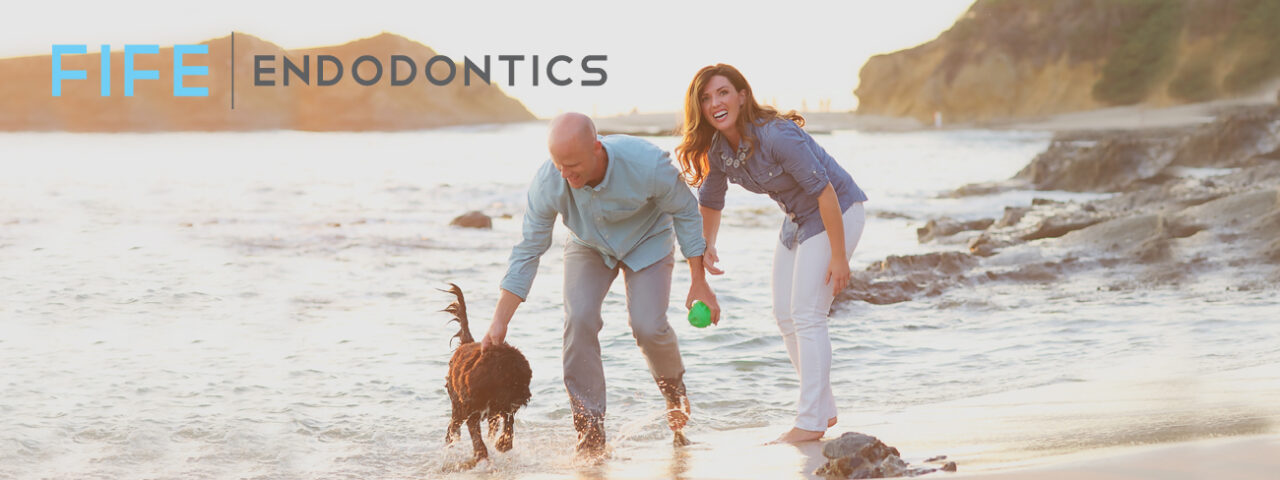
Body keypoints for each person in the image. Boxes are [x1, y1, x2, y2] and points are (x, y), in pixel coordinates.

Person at [481, 112, 720, 456]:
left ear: (596, 147)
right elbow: (529, 250)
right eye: (558, 164)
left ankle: (673, 390)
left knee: (647, 326)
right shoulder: (550, 180)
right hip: (587, 244)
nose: (565, 174)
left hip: (648, 239)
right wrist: (500, 320)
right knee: (578, 319)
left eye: (573, 164)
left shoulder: (647, 163)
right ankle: (589, 427)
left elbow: (685, 211)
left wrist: (698, 281)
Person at [674, 64, 867, 444]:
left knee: (808, 314)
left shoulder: (777, 135)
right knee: (784, 314)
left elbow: (825, 192)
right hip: (797, 219)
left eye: (723, 93)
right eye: (707, 98)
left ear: (742, 95)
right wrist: (707, 246)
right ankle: (823, 408)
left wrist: (840, 257)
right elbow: (710, 204)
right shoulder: (717, 147)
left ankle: (809, 421)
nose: (716, 103)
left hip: (837, 212)